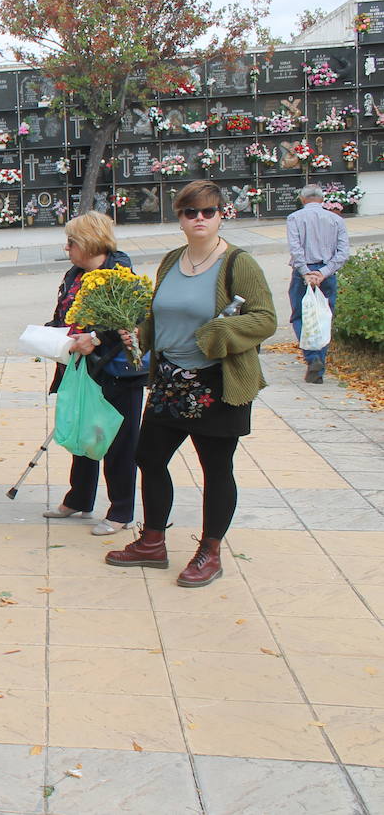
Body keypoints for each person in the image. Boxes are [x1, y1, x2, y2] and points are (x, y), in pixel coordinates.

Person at [105, 180, 276, 587]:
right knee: (148, 457)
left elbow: (266, 319)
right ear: (179, 218)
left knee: (215, 469)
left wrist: (218, 333)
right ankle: (153, 542)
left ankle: (210, 552)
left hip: (217, 384)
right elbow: (159, 314)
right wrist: (140, 337)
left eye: (208, 211)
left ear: (221, 215)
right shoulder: (171, 261)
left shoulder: (238, 263)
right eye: (190, 212)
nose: (199, 219)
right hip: (169, 381)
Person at [40, 212, 147, 536]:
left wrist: (96, 338)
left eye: (71, 242)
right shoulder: (76, 273)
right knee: (82, 431)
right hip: (82, 368)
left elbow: (132, 321)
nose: (67, 247)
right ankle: (80, 498)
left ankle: (121, 511)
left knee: (118, 442)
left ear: (87, 243)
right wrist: (52, 334)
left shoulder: (119, 274)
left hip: (117, 370)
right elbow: (64, 314)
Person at [286, 184, 350, 383]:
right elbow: (343, 253)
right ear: (322, 200)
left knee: (300, 315)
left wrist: (306, 273)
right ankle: (318, 364)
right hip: (326, 272)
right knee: (324, 317)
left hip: (302, 273)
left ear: (302, 199)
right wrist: (322, 273)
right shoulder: (336, 220)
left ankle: (312, 359)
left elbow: (296, 249)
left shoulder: (294, 218)